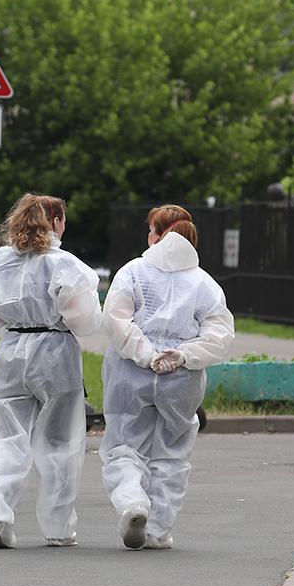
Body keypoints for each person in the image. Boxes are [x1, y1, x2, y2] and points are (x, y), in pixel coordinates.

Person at [100, 204, 235, 550]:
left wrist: (146, 355)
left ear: (156, 235)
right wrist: (183, 355)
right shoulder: (205, 284)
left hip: (130, 372)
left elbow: (116, 321)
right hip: (182, 379)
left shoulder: (133, 272)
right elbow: (220, 336)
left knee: (124, 445)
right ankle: (158, 530)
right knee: (172, 452)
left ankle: (132, 502)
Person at [0, 193, 103, 549]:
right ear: (57, 222)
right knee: (60, 441)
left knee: (7, 436)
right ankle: (58, 527)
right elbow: (86, 319)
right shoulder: (65, 264)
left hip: (11, 350)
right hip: (54, 351)